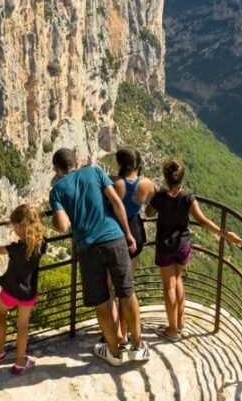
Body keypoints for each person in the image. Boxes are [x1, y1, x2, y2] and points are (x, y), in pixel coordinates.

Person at [48, 148, 150, 366]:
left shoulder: (56, 190)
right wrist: (129, 234)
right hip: (115, 238)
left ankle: (113, 352)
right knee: (127, 291)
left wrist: (59, 211)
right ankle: (138, 347)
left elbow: (63, 225)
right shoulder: (95, 171)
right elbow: (116, 202)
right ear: (76, 162)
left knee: (103, 301)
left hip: (87, 248)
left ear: (57, 170)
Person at [145, 158, 242, 342]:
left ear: (166, 178)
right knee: (178, 279)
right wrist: (226, 234)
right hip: (183, 245)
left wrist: (154, 196)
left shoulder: (160, 197)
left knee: (169, 287)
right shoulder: (188, 198)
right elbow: (203, 221)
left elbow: (148, 213)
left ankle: (172, 330)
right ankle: (180, 322)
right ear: (182, 178)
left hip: (166, 246)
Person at [0, 204, 48, 375]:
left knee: (2, 315)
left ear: (19, 226)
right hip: (28, 292)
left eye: (13, 225)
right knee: (22, 327)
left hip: (10, 289)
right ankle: (20, 363)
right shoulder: (42, 244)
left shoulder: (15, 248)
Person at [107, 147, 156, 345]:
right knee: (127, 284)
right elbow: (153, 209)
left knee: (109, 285)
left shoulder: (112, 183)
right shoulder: (147, 184)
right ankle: (125, 332)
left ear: (119, 164)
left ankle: (115, 330)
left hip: (114, 232)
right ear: (137, 164)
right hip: (136, 231)